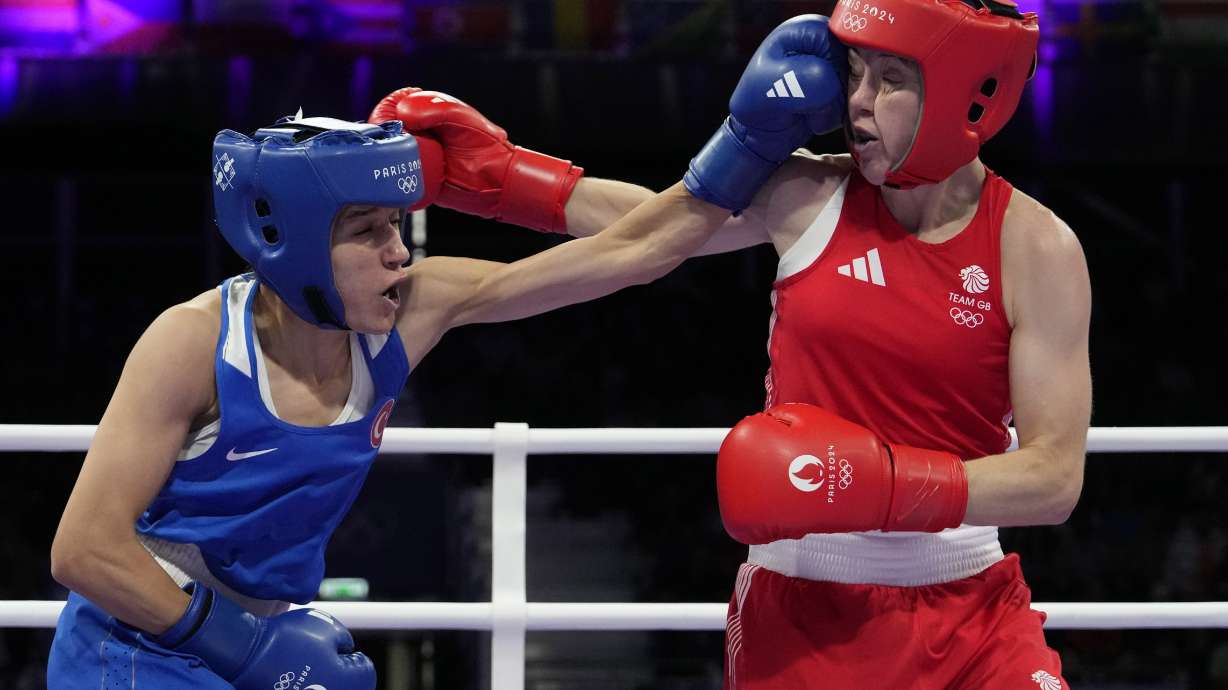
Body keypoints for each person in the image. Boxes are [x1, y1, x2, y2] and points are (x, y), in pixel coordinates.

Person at [47, 16, 846, 688]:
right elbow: (83, 547)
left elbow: (636, 250)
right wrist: (244, 648)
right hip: (134, 650)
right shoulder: (191, 342)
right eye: (369, 232)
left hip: (260, 647)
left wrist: (743, 143)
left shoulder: (413, 309)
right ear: (287, 244)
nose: (399, 252)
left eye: (398, 225)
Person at [370, 0, 1091, 687]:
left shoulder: (1036, 249)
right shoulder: (808, 195)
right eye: (856, 72)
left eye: (892, 79)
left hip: (974, 608)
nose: (859, 101)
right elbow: (651, 225)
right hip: (805, 607)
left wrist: (883, 486)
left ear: (969, 97)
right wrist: (496, 176)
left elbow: (1054, 478)